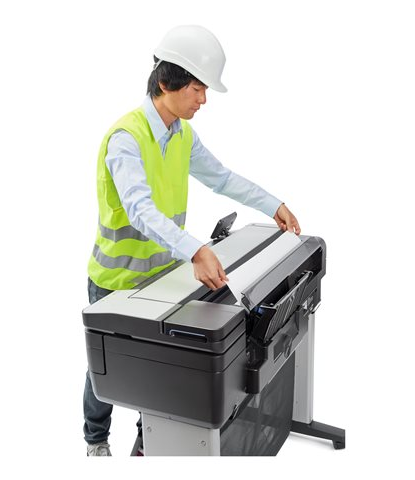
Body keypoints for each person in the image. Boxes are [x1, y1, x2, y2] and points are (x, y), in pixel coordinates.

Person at [84, 25, 301, 456]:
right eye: (198, 89)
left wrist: (271, 204)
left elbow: (221, 178)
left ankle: (147, 444)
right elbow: (140, 210)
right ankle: (96, 439)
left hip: (163, 278)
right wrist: (197, 250)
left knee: (156, 370)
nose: (203, 100)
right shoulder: (127, 139)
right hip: (116, 282)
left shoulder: (181, 134)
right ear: (167, 83)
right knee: (104, 370)